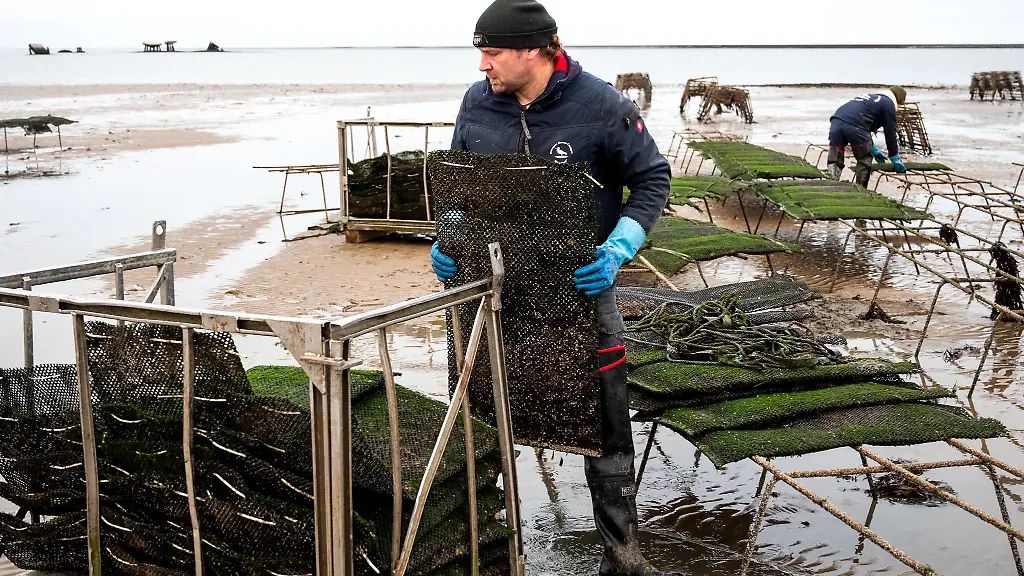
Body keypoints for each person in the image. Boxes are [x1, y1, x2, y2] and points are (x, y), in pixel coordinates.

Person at [429, 1, 674, 574]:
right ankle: (487, 549)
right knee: (482, 413)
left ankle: (623, 558)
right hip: (492, 291)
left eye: (492, 52)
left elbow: (652, 178)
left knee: (605, 426)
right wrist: (448, 237)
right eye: (480, 53)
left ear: (537, 50)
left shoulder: (601, 105)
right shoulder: (475, 101)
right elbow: (461, 180)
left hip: (579, 290)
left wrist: (617, 249)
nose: (483, 64)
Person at [827, 86, 908, 187]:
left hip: (836, 122)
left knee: (834, 160)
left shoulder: (871, 99)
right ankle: (860, 190)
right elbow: (890, 132)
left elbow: (864, 125)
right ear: (898, 100)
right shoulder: (888, 104)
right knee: (864, 160)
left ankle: (830, 185)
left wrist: (874, 149)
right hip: (855, 127)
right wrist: (894, 157)